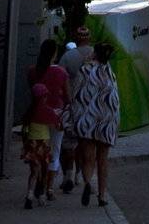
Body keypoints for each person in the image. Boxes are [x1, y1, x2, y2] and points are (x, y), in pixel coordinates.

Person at [71, 41, 120, 208]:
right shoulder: (110, 73)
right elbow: (115, 100)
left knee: (88, 157)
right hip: (107, 120)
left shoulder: (84, 70)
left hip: (88, 119)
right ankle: (102, 195)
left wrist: (74, 118)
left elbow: (76, 94)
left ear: (94, 54)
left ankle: (87, 183)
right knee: (103, 160)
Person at [24, 38, 70, 207]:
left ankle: (36, 186)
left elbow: (33, 93)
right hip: (56, 115)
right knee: (54, 152)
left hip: (37, 117)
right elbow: (67, 96)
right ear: (54, 54)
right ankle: (49, 188)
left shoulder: (32, 71)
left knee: (37, 154)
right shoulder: (61, 72)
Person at [58, 25, 95, 192]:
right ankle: (81, 175)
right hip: (92, 105)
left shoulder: (67, 57)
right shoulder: (96, 55)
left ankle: (68, 173)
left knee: (69, 142)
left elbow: (60, 79)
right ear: (89, 38)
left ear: (76, 38)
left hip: (73, 103)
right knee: (85, 142)